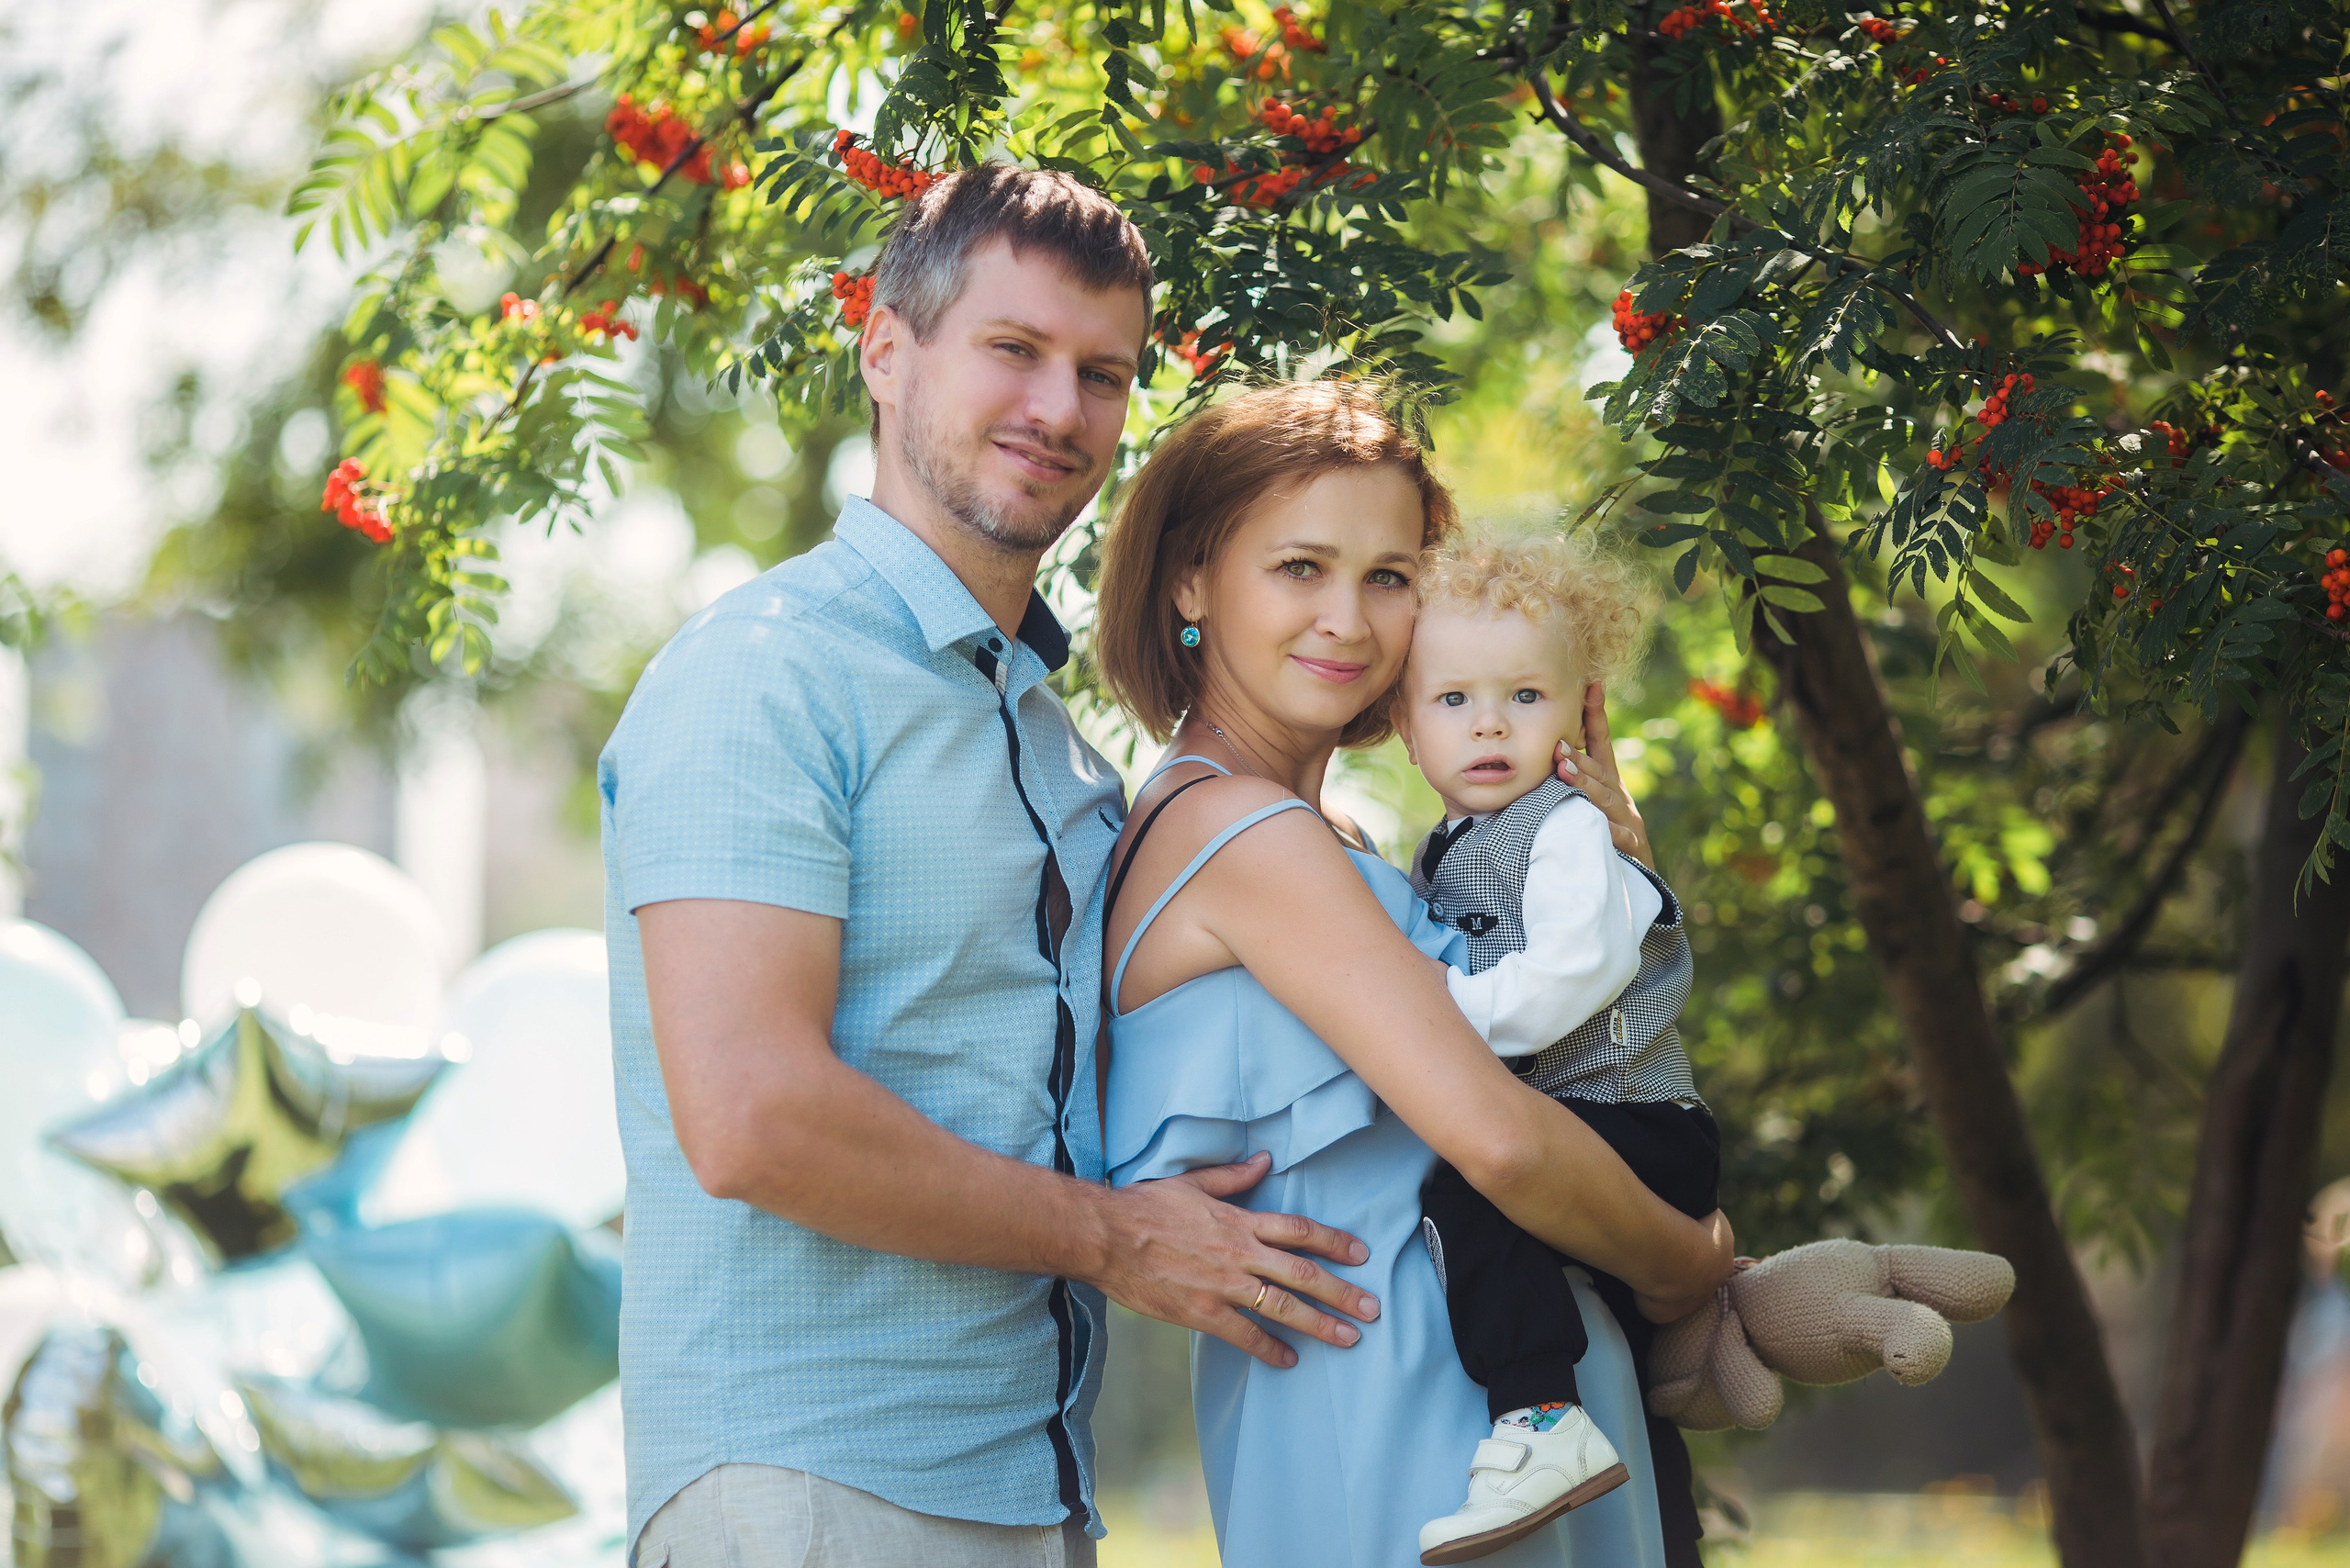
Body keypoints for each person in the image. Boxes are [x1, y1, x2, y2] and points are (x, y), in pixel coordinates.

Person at [602, 168, 1382, 1568]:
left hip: (1032, 1496)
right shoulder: (763, 676)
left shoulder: (1058, 751)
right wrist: (1117, 1241)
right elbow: (750, 1117)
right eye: (1013, 349)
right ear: (886, 352)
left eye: (1103, 374)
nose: (1059, 409)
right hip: (806, 1491)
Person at [1093, 380, 1737, 1568]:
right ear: (1190, 581)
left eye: (1388, 576)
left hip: (1491, 1410)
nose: (1348, 619)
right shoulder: (1243, 834)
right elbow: (1501, 1142)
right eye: (1300, 567)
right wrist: (1689, 1266)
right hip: (1403, 1416)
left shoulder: (1328, 839)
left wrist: (1603, 866)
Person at [1395, 532, 1720, 1566]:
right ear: (1403, 724)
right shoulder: (1449, 847)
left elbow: (1573, 972)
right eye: (1453, 699)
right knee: (1629, 1354)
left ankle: (1540, 1417)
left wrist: (1433, 1014)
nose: (1489, 722)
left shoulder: (1568, 828)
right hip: (1592, 1119)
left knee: (1472, 1189)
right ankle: (1657, 1503)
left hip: (1638, 1119)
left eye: (1525, 696)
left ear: (1579, 711)